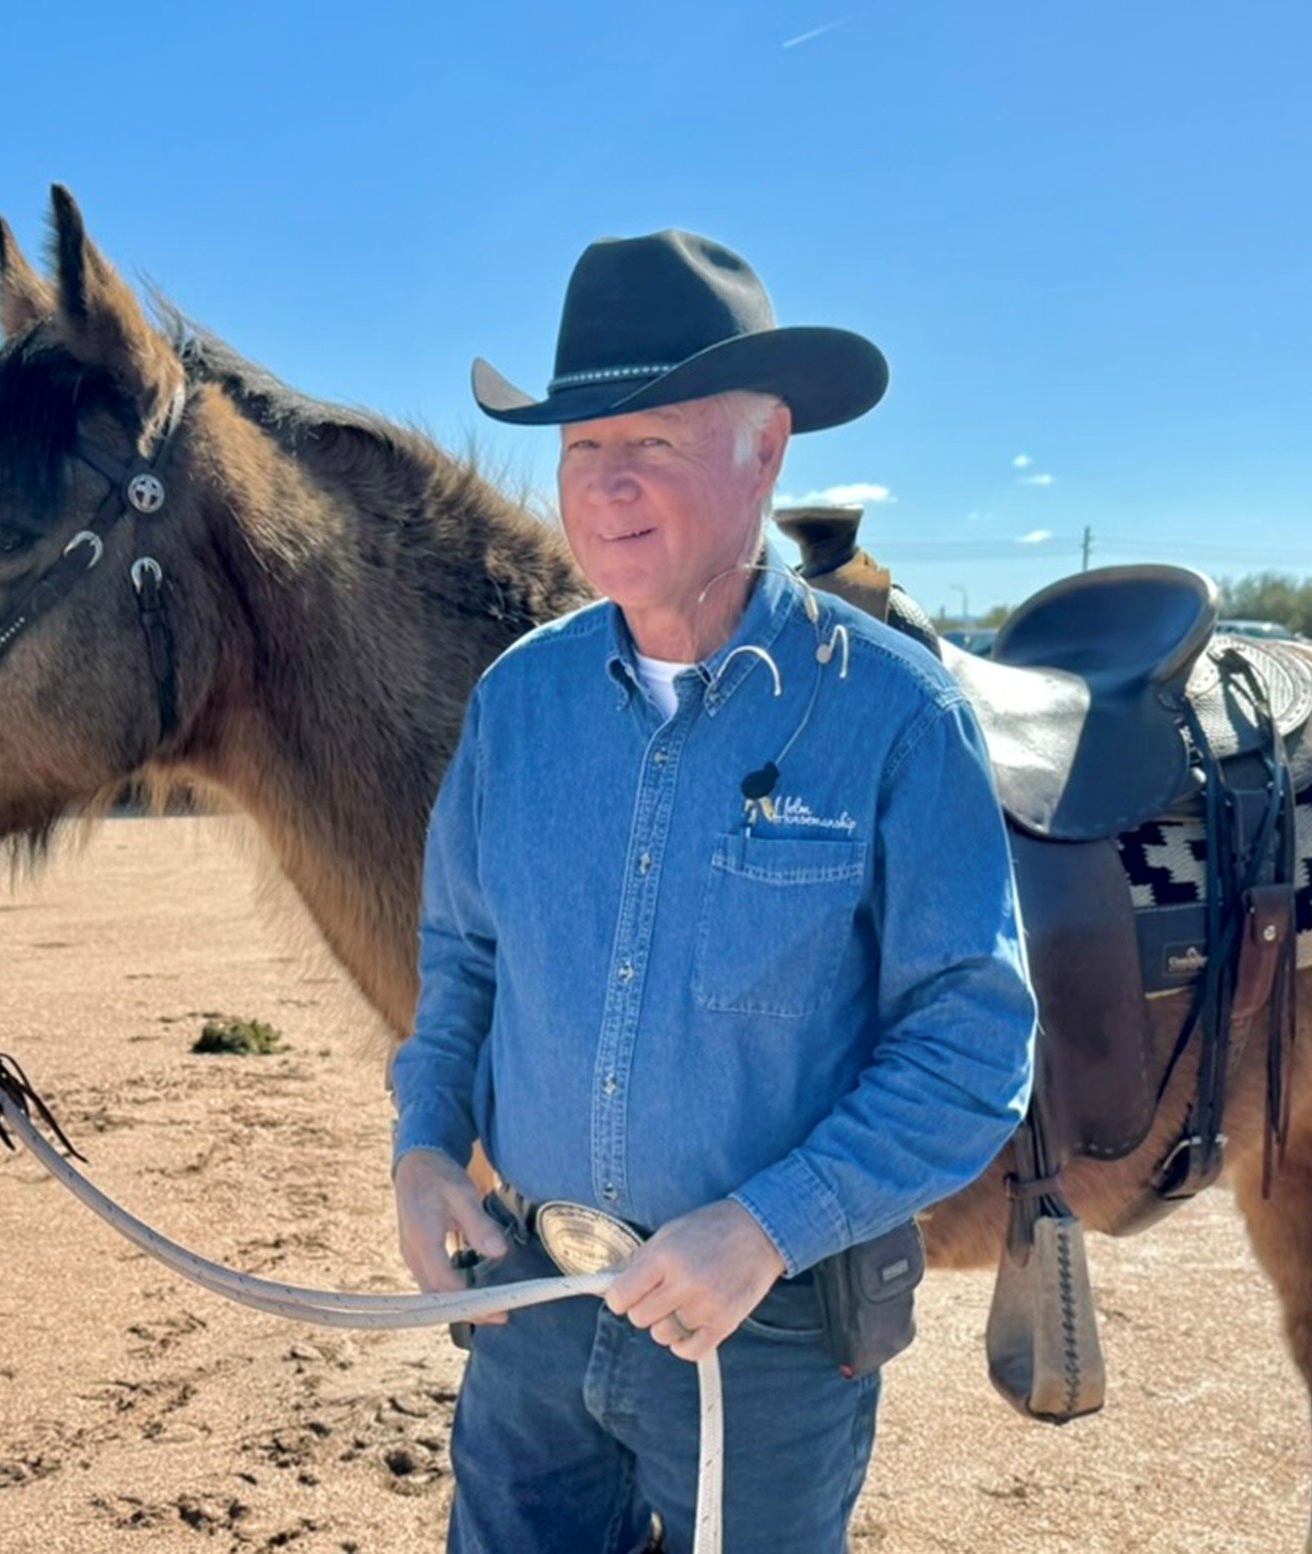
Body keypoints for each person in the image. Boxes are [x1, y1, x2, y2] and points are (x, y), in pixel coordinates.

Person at [390, 229, 1036, 1552]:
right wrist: (423, 1143)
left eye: (656, 442)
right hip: (532, 1297)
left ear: (767, 450)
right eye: (583, 447)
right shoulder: (517, 704)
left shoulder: (896, 718)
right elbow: (463, 955)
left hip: (766, 1329)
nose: (608, 484)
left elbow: (972, 1045)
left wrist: (762, 1228)